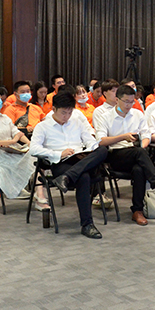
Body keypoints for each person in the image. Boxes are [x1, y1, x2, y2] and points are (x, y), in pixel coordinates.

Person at [30, 92, 109, 239]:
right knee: (84, 177)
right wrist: (58, 153)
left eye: (70, 112)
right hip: (61, 162)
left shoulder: (77, 122)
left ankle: (67, 178)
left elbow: (90, 141)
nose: (67, 116)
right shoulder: (43, 126)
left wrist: (90, 149)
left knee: (102, 150)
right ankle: (87, 224)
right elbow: (33, 149)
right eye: (63, 112)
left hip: (80, 159)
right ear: (53, 109)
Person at [95, 85, 155, 226]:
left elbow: (146, 135)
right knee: (139, 153)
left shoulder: (137, 114)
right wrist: (122, 137)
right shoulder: (105, 117)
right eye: (126, 101)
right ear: (117, 100)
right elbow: (101, 141)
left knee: (139, 169)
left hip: (137, 153)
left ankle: (137, 210)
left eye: (132, 101)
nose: (129, 105)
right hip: (115, 155)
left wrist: (142, 146)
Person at [0, 88, 46, 206]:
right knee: (14, 165)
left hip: (16, 150)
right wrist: (12, 141)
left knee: (36, 157)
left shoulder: (4, 118)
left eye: (0, 97)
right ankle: (33, 193)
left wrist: (29, 144)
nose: (0, 100)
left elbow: (17, 133)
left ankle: (39, 192)